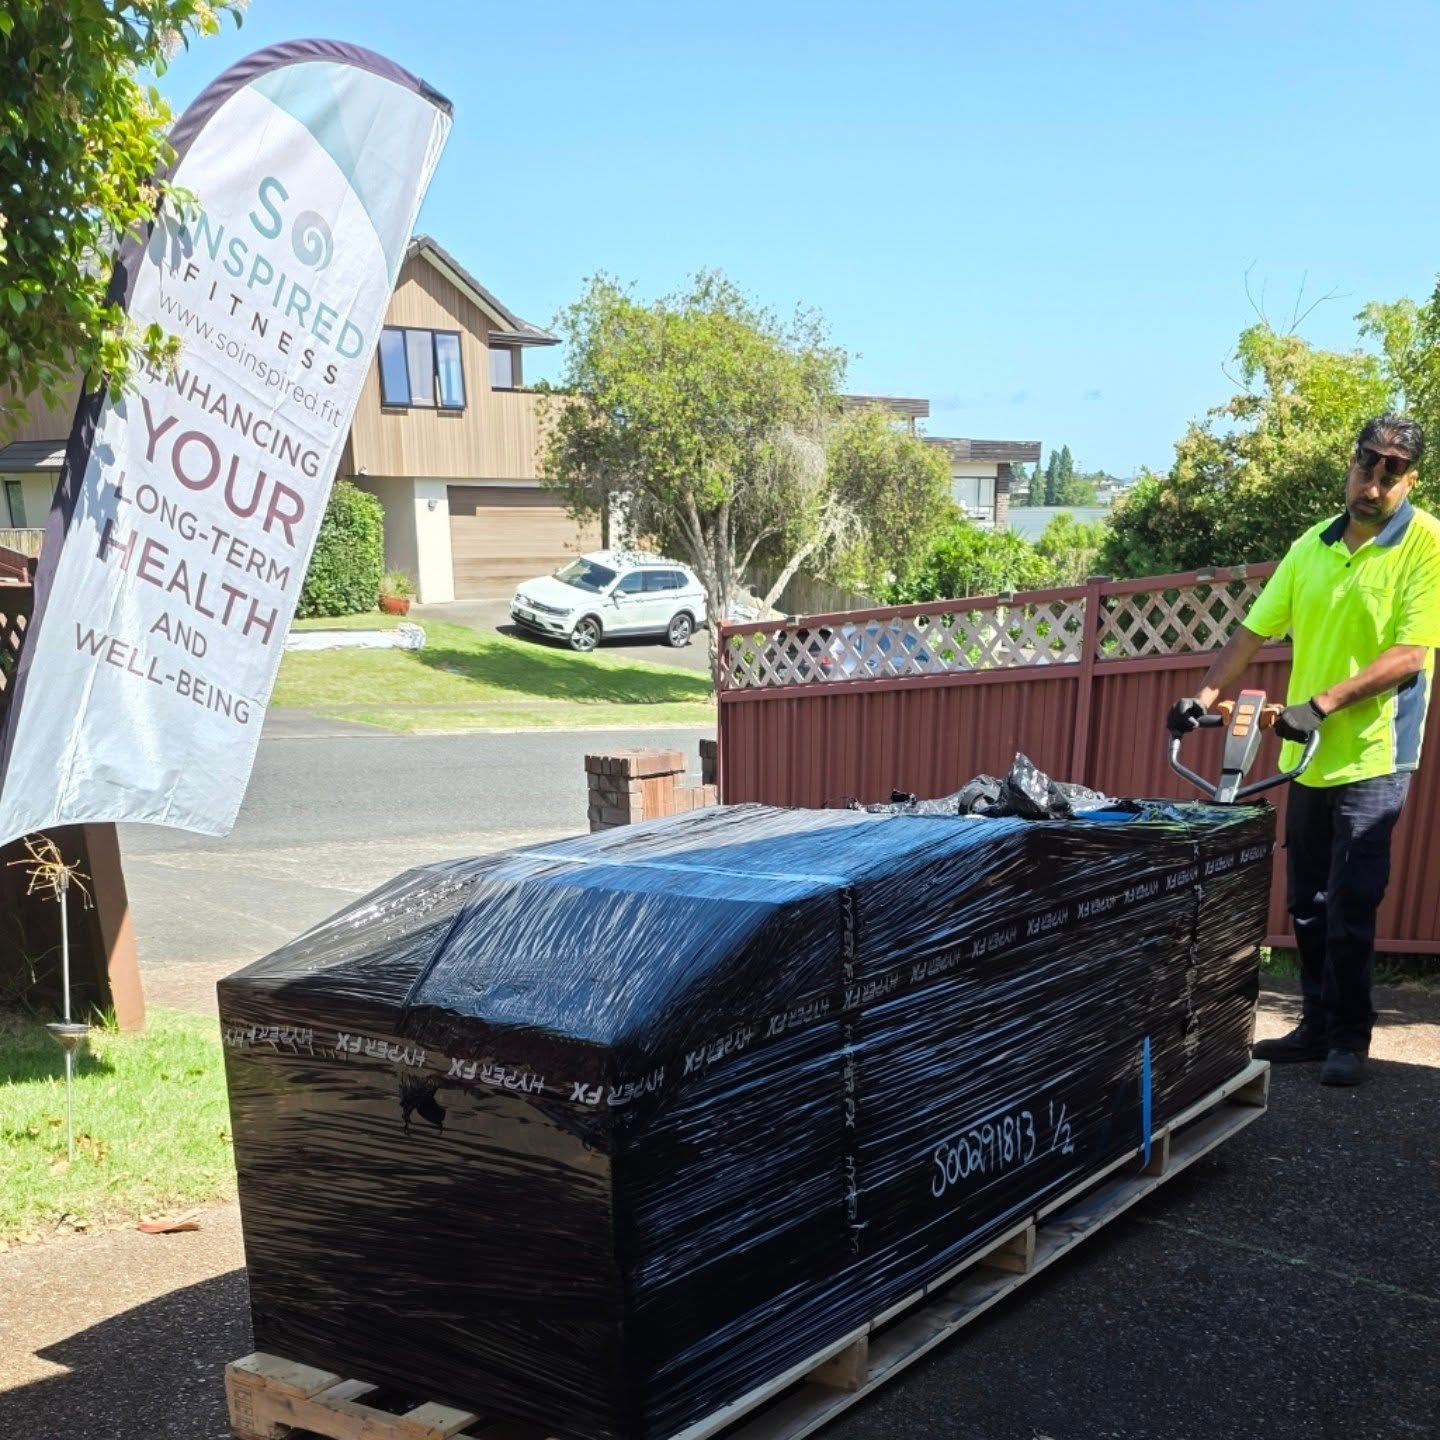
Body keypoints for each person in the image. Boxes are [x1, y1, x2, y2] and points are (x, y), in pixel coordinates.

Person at [1167, 414, 1440, 1086]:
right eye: (1366, 464)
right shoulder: (1310, 547)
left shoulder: (1425, 544)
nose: (1373, 483)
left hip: (1376, 754)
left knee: (1353, 899)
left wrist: (1319, 704)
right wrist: (1201, 697)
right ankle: (1316, 1026)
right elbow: (1251, 636)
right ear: (1351, 463)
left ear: (1410, 479)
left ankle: (1350, 1036)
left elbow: (1409, 655)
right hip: (1309, 758)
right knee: (1308, 900)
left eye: (1390, 471)